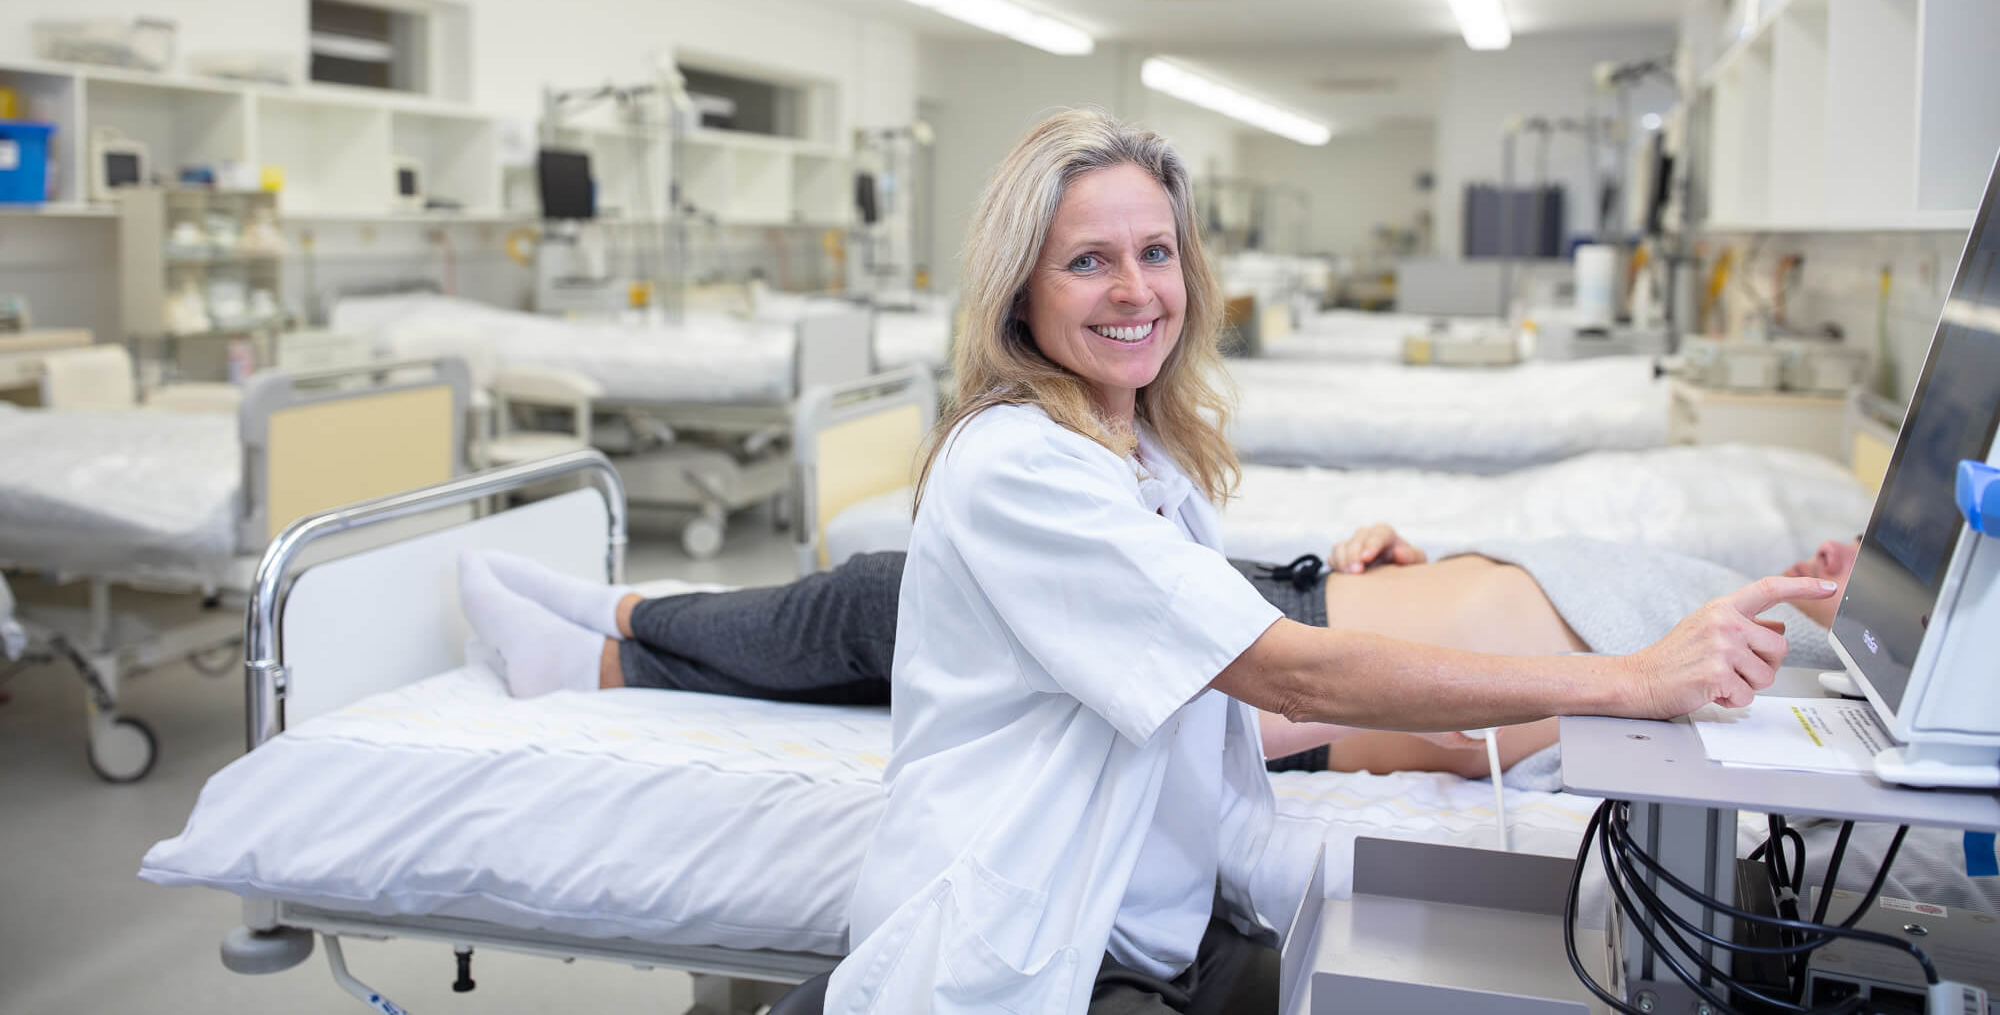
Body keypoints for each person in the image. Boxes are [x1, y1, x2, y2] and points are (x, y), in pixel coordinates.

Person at [460, 108, 1838, 1015]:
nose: (1138, 290)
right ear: (1020, 290)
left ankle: (609, 626)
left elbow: (1245, 721)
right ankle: (604, 630)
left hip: (1155, 925)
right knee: (857, 612)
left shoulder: (1137, 456)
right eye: (1090, 262)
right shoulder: (1016, 465)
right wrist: (1630, 681)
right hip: (1030, 959)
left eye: (1157, 253)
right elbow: (1288, 666)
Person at [456, 531, 1862, 783]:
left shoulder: (1659, 693)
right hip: (1287, 589)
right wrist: (1429, 558)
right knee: (911, 607)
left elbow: (1410, 725)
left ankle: (621, 637)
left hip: (1252, 649)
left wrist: (1239, 723)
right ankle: (624, 631)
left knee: (902, 599)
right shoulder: (1729, 635)